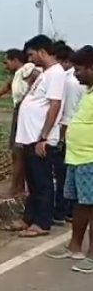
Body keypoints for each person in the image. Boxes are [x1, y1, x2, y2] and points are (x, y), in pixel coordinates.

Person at [8, 35, 66, 237]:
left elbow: (55, 105)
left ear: (42, 51)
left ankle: (42, 222)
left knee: (42, 182)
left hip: (39, 138)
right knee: (32, 182)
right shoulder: (45, 73)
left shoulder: (56, 74)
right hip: (29, 137)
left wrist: (44, 137)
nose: (30, 59)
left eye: (32, 55)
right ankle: (29, 218)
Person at [45, 45, 93, 272]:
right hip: (77, 158)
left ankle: (92, 255)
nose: (75, 73)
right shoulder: (89, 93)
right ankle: (74, 246)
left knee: (91, 206)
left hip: (90, 159)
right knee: (80, 205)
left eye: (79, 69)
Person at [0, 49, 41, 198]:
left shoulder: (28, 71)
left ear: (15, 60)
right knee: (18, 152)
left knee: (18, 151)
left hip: (24, 112)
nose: (5, 66)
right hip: (20, 112)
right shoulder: (16, 76)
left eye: (6, 62)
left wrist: (27, 99)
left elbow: (38, 79)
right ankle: (19, 187)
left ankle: (16, 189)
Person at [50, 41, 85, 224]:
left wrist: (61, 139)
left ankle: (63, 211)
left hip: (70, 136)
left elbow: (68, 115)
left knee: (64, 175)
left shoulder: (70, 82)